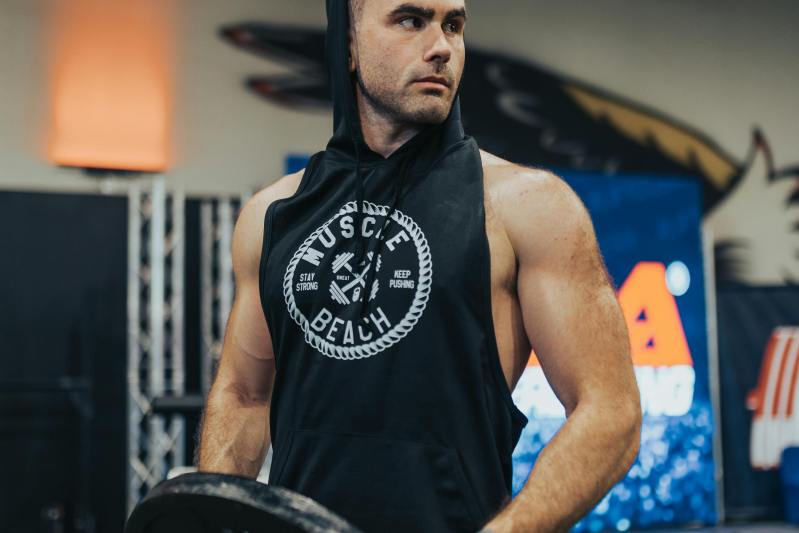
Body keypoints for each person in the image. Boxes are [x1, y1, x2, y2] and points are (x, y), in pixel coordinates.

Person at [197, 0, 642, 532]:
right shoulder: (271, 215)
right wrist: (214, 521)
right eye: (410, 20)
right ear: (349, 44)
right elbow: (244, 396)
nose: (441, 48)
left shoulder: (528, 206)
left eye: (453, 25)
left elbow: (610, 412)